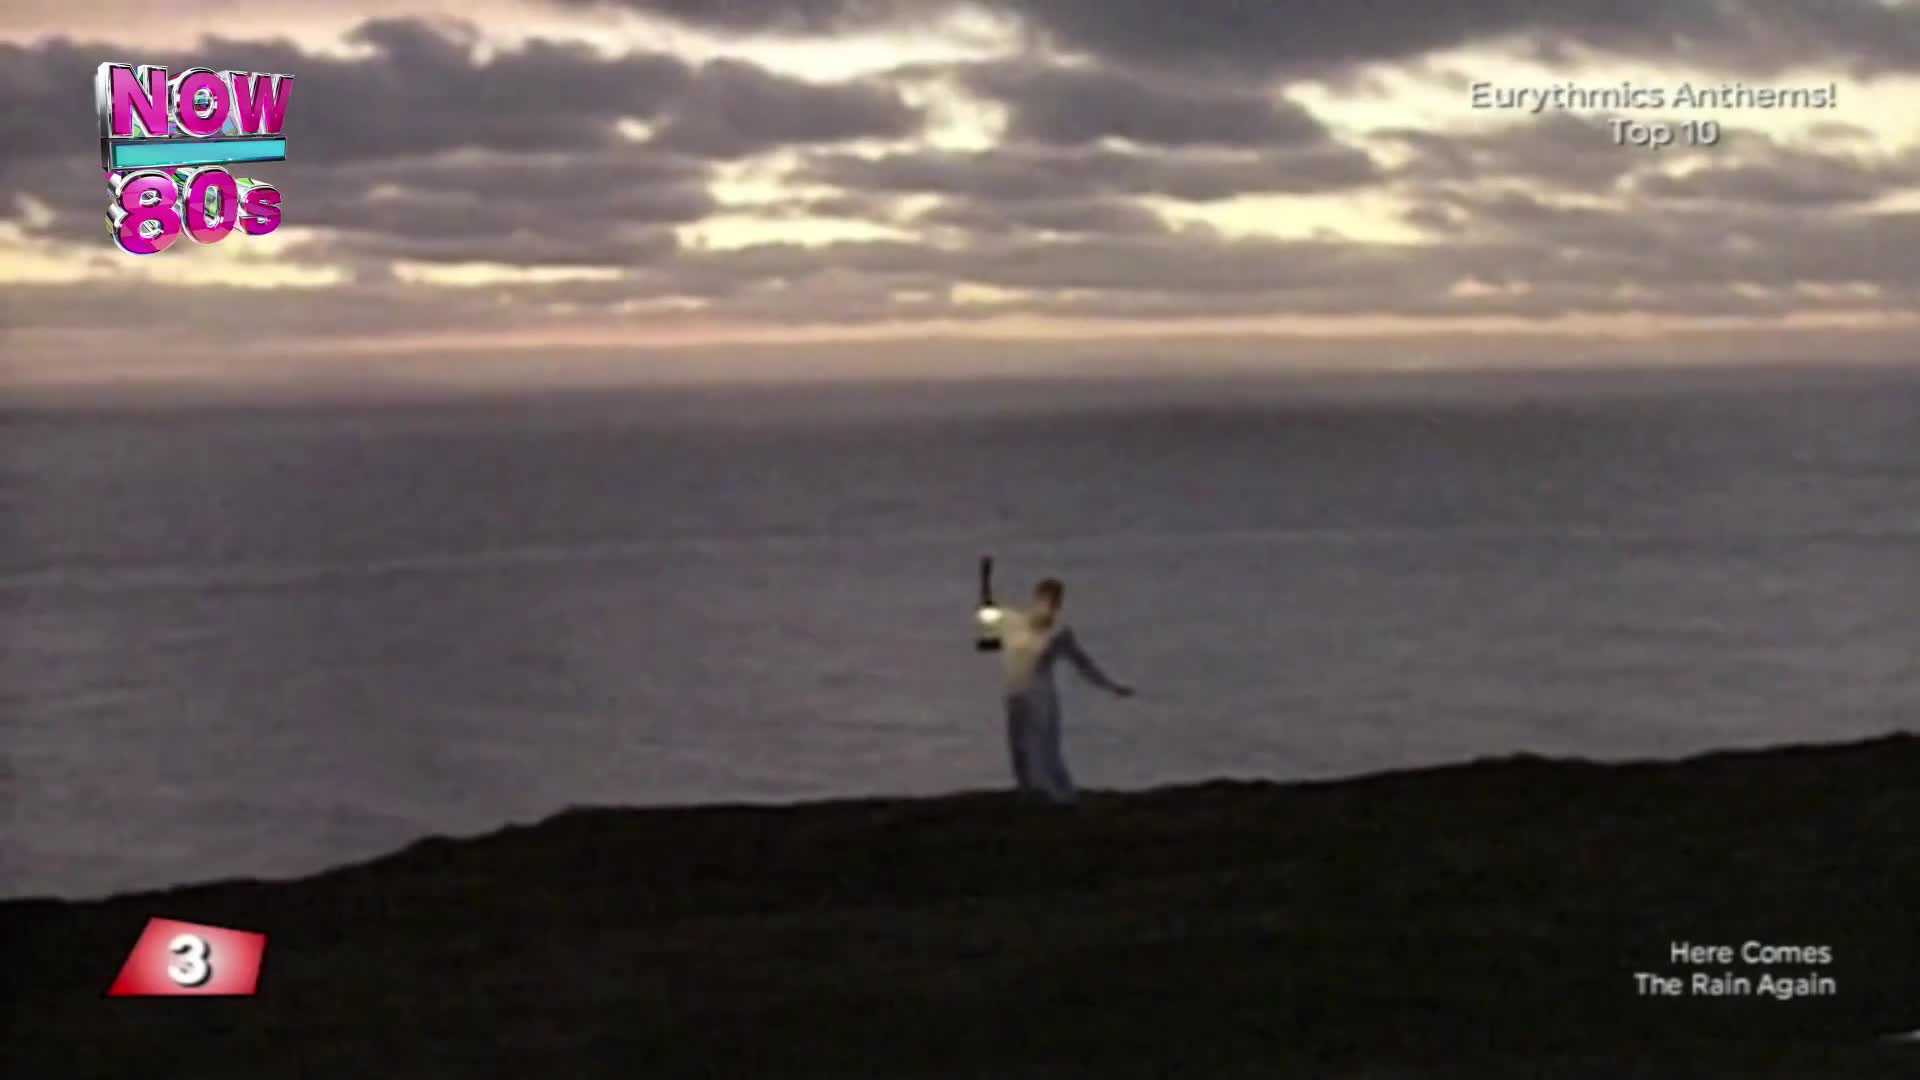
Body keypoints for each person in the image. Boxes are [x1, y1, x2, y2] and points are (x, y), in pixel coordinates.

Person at [980, 577, 1133, 804]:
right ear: (1036, 599)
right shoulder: (1012, 621)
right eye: (1048, 601)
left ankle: (1058, 797)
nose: (1051, 607)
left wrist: (1111, 686)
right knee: (1019, 749)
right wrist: (986, 608)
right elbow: (987, 620)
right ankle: (1030, 795)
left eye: (1056, 603)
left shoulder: (1059, 634)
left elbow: (1083, 664)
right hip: (1015, 695)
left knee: (1043, 748)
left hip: (1040, 698)